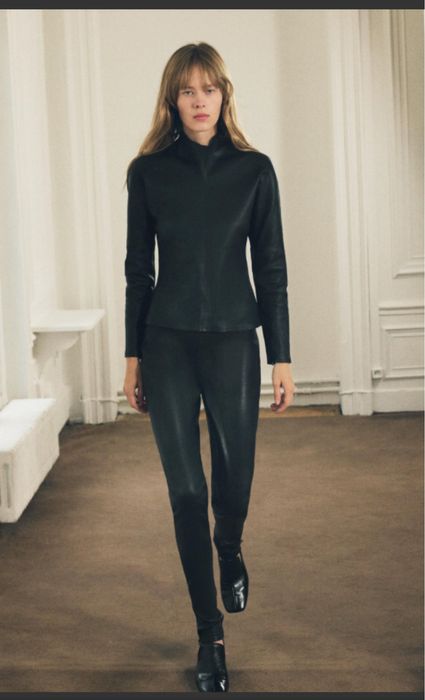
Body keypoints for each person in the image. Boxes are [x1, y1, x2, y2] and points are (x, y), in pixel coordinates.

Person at [122, 41, 295, 693]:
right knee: (187, 493)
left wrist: (280, 355)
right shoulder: (147, 173)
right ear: (173, 100)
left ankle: (230, 546)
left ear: (224, 95)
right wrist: (132, 357)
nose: (200, 101)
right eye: (188, 91)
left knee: (234, 480)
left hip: (232, 342)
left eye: (209, 89)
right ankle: (209, 635)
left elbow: (271, 268)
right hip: (166, 345)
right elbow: (137, 271)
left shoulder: (254, 171)